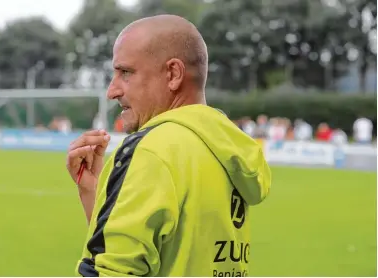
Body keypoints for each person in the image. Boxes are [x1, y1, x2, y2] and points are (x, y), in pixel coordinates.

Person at [66, 14, 272, 277]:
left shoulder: (151, 151)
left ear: (173, 74)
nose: (112, 90)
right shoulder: (225, 149)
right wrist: (93, 195)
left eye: (125, 72)